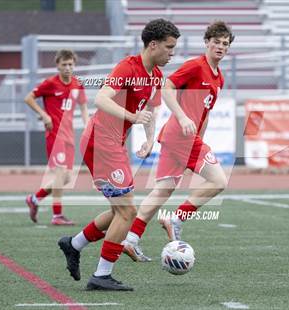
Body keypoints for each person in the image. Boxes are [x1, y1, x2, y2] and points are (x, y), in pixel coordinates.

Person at [57, 19, 180, 291]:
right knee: (127, 211)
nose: (173, 53)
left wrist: (149, 139)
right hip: (102, 142)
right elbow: (100, 98)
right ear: (153, 44)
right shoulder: (128, 66)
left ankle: (73, 244)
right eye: (169, 47)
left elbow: (151, 109)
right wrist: (131, 116)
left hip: (112, 143)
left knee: (118, 211)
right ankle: (101, 276)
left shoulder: (155, 75)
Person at [122, 21, 235, 262]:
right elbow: (166, 86)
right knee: (219, 180)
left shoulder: (219, 78)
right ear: (207, 42)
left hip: (179, 138)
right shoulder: (195, 66)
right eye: (216, 42)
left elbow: (205, 113)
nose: (220, 47)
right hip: (179, 135)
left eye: (225, 44)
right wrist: (182, 117)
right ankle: (177, 218)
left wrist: (200, 137)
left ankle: (131, 240)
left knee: (162, 190)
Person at [24, 49, 89, 225]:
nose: (68, 67)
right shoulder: (50, 83)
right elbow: (28, 98)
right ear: (58, 66)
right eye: (64, 64)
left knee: (66, 177)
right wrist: (44, 115)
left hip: (69, 135)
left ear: (74, 65)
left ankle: (35, 199)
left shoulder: (77, 84)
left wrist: (87, 127)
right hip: (55, 134)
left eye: (70, 64)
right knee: (60, 174)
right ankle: (57, 215)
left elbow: (83, 107)